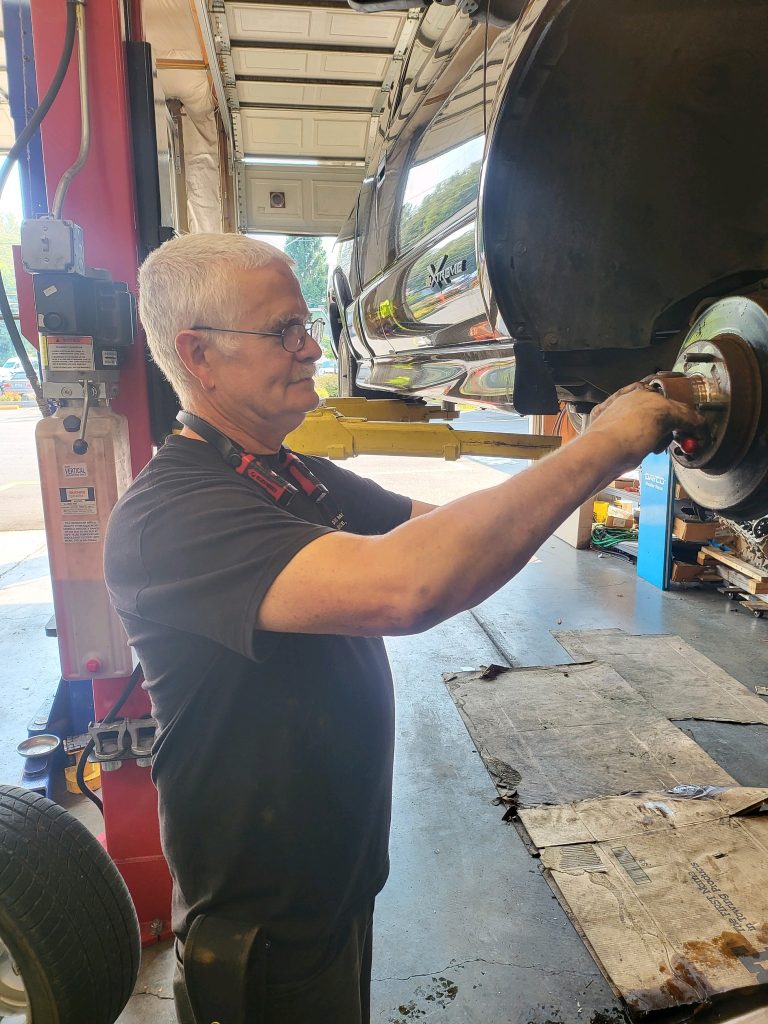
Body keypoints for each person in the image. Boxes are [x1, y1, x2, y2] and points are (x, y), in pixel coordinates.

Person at [104, 232, 704, 1024]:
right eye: (283, 330)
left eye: (306, 323)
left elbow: (449, 534)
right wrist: (600, 445)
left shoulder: (288, 472)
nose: (312, 346)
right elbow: (411, 587)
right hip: (265, 929)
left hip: (336, 888)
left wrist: (598, 440)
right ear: (200, 355)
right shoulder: (172, 518)